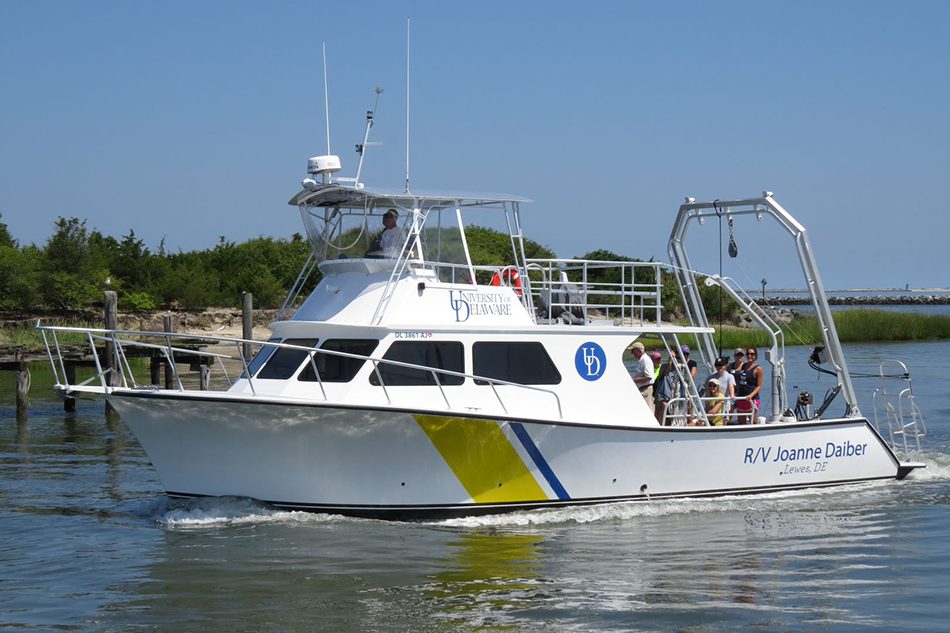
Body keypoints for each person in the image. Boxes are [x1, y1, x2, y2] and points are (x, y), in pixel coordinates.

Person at [734, 347, 764, 424]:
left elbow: (759, 386)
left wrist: (751, 395)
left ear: (755, 356)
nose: (750, 356)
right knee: (741, 422)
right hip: (741, 396)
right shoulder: (743, 366)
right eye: (748, 354)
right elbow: (735, 372)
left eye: (752, 354)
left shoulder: (758, 369)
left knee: (753, 422)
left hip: (752, 398)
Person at [706, 356, 736, 421]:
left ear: (724, 366)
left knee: (724, 420)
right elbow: (707, 391)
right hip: (713, 403)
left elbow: (731, 386)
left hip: (724, 403)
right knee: (711, 419)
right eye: (717, 365)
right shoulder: (711, 377)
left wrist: (732, 395)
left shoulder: (729, 376)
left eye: (720, 365)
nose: (719, 367)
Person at [628, 342, 655, 411]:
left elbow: (649, 377)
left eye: (633, 351)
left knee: (648, 409)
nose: (632, 353)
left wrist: (634, 380)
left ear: (638, 351)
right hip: (643, 389)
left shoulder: (645, 359)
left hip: (646, 389)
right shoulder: (642, 359)